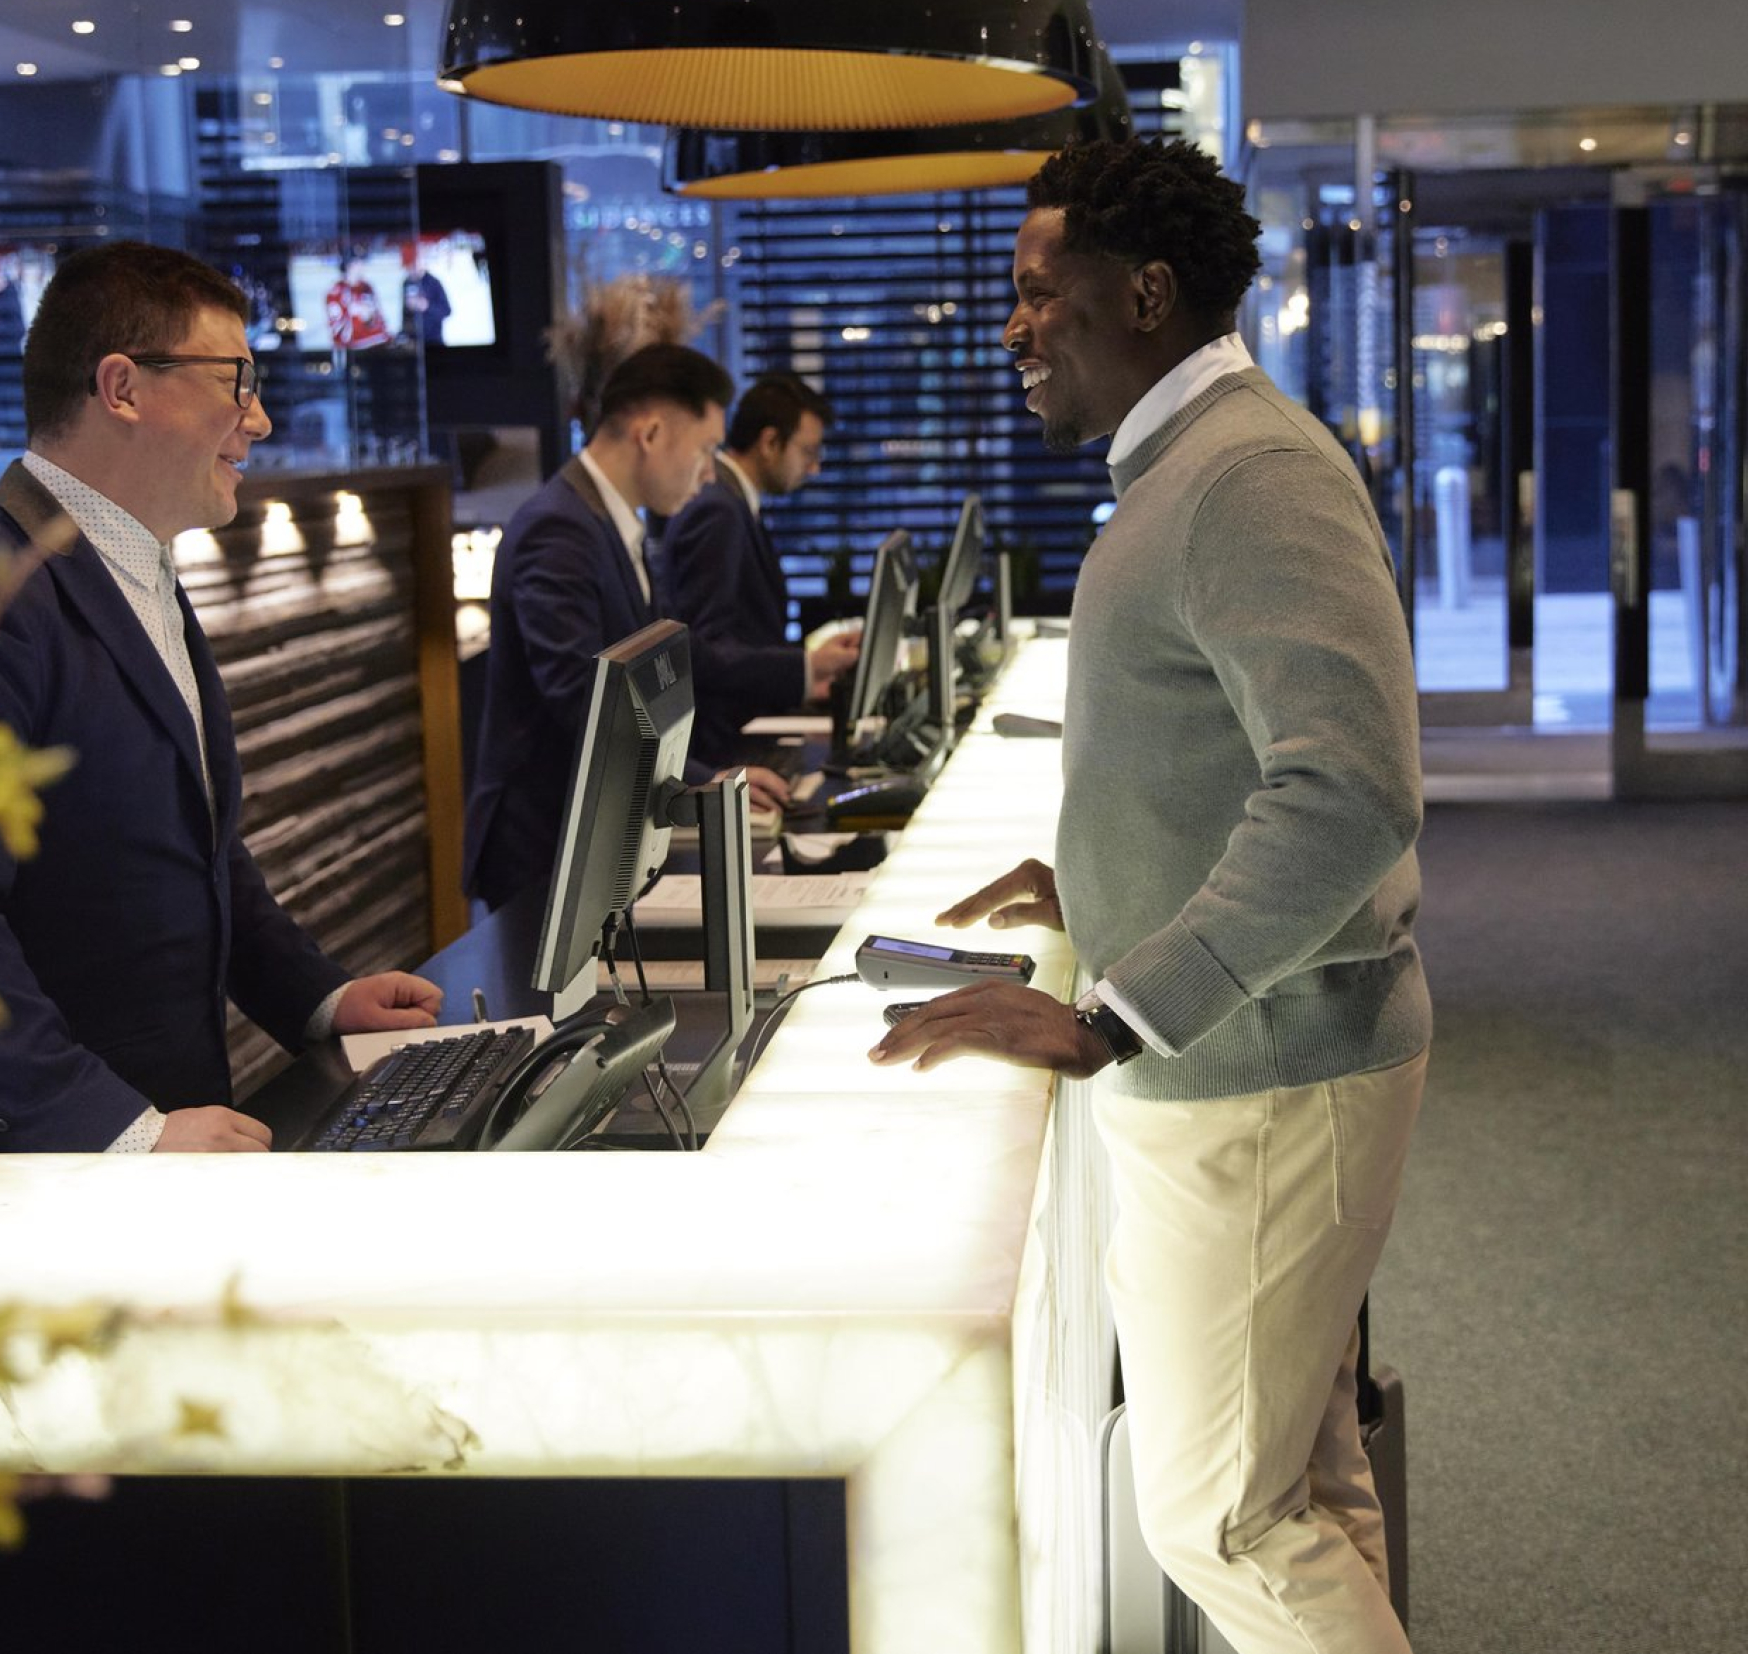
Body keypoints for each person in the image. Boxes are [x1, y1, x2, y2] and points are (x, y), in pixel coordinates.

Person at [871, 140, 1431, 1654]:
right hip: (1264, 1059)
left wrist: (1119, 1011)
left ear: (1147, 293)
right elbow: (1241, 752)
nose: (1014, 330)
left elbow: (1351, 791)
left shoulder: (1245, 476)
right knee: (1297, 1484)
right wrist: (1109, 854)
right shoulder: (1200, 469)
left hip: (1258, 1073)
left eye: (1038, 294)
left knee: (1219, 1521)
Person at [0, 241, 443, 1249]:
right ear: (122, 387)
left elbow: (196, 850)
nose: (260, 418)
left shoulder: (137, 568)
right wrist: (116, 1134)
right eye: (235, 381)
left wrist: (321, 999)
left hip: (130, 1196)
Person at [462, 342, 788, 913]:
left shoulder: (607, 522)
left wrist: (706, 775)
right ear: (652, 432)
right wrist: (696, 780)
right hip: (545, 846)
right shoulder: (558, 531)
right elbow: (583, 696)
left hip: (590, 837)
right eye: (705, 449)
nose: (709, 472)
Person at [656, 372, 861, 768]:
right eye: (808, 452)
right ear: (770, 443)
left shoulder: (735, 503)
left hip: (742, 732)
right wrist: (804, 667)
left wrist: (805, 672)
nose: (814, 468)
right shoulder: (719, 509)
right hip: (722, 746)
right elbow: (702, 647)